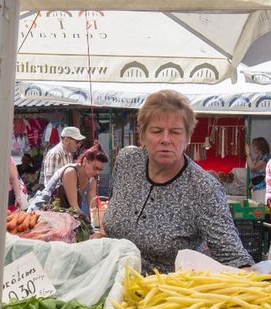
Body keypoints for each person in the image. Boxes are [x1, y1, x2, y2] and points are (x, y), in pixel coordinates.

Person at [102, 90, 253, 272]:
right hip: (109, 281)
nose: (166, 140)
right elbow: (112, 215)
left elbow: (233, 256)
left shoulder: (204, 188)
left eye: (175, 132)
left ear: (187, 138)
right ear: (142, 136)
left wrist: (254, 282)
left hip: (163, 295)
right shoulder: (127, 161)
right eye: (157, 131)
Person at [30, 145, 108, 214]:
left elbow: (93, 210)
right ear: (85, 161)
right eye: (95, 168)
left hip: (62, 218)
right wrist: (87, 222)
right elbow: (74, 207)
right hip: (40, 214)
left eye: (100, 170)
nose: (97, 172)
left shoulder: (91, 181)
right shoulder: (70, 172)